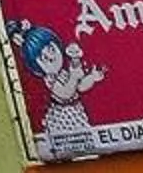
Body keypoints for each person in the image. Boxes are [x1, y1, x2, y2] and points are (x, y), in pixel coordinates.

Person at [7, 20, 109, 157]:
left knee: (87, 144)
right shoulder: (50, 79)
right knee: (73, 148)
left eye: (51, 49)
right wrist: (74, 74)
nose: (51, 57)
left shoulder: (64, 72)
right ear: (36, 67)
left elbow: (80, 87)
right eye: (43, 58)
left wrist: (92, 77)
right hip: (63, 117)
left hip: (76, 111)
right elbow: (65, 93)